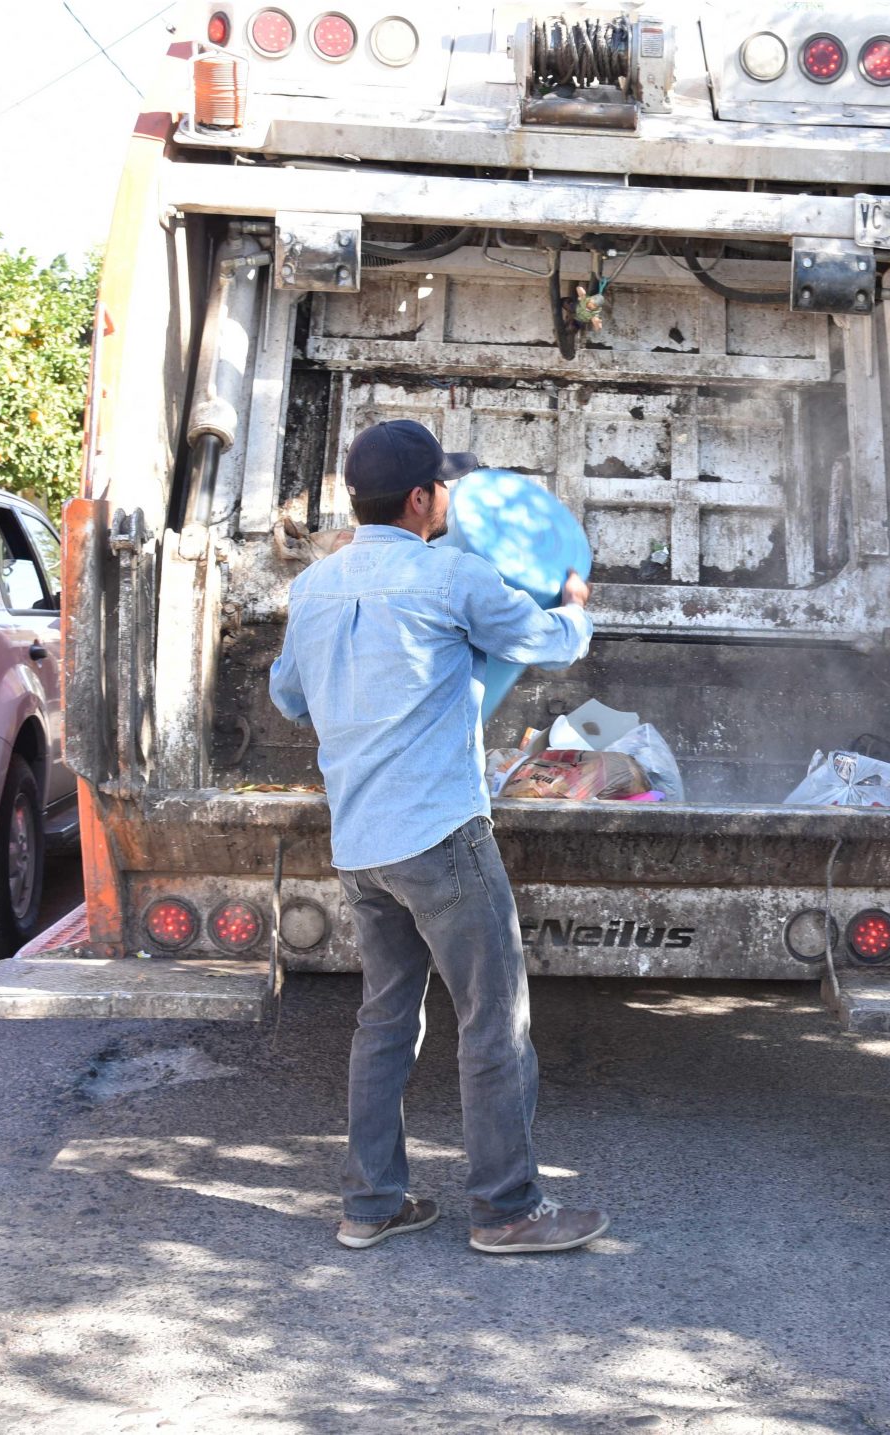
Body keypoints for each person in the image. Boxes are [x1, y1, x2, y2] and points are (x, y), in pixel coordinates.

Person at [269, 418, 609, 1256]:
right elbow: (544, 644)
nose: (452, 498)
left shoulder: (313, 588)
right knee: (494, 1022)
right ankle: (506, 1210)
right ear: (422, 498)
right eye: (446, 486)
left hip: (361, 846)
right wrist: (574, 609)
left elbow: (288, 698)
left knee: (385, 1022)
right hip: (442, 838)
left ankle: (373, 1202)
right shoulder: (452, 577)